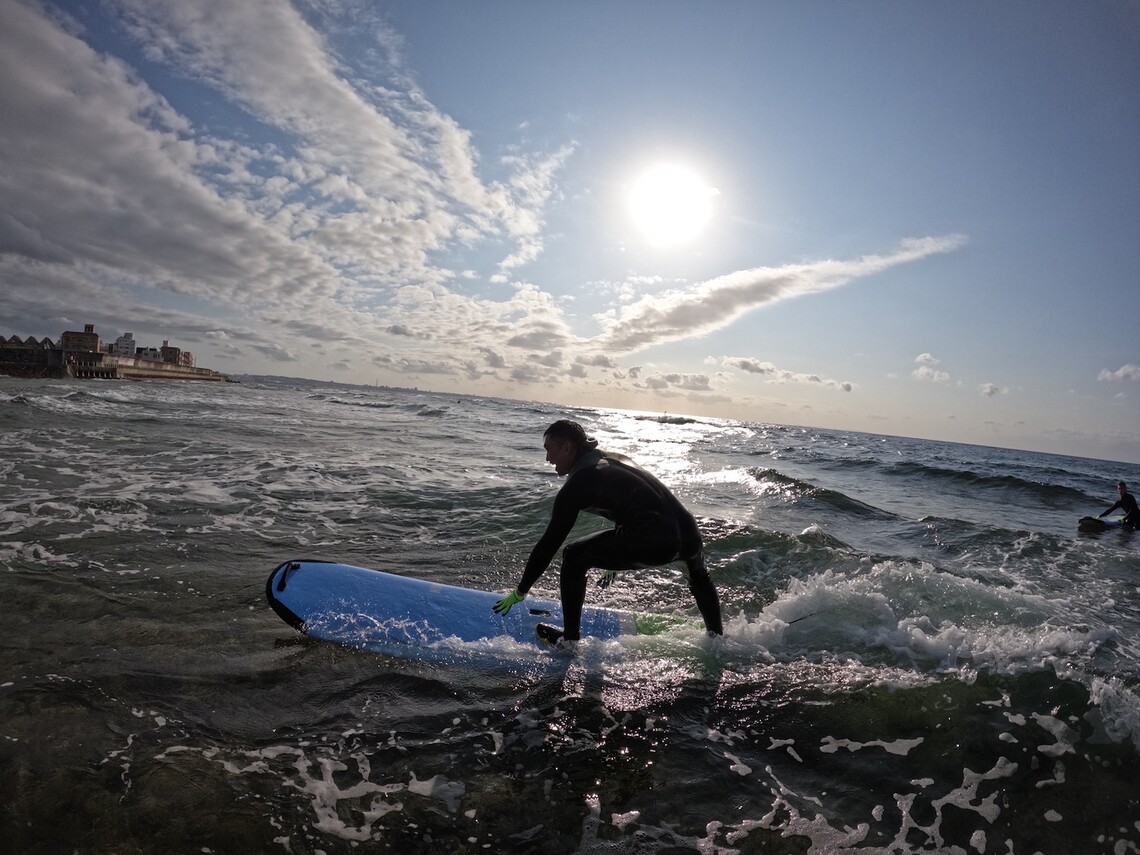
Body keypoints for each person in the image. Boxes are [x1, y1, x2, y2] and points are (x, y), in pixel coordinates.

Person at [491, 419, 723, 645]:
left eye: (549, 450)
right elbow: (635, 503)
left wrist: (521, 590)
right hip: (690, 532)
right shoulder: (614, 459)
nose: (548, 458)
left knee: (573, 556)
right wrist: (614, 558)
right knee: (699, 577)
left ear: (567, 447)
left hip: (653, 539)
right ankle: (718, 640)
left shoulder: (578, 484)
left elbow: (549, 544)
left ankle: (569, 639)